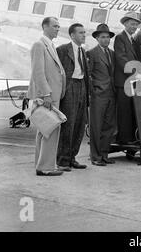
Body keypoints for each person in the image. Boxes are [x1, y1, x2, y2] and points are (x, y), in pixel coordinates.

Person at [27, 17, 66, 176]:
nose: (58, 29)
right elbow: (38, 72)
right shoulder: (39, 45)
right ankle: (46, 167)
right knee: (51, 130)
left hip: (52, 94)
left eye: (58, 26)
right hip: (48, 95)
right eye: (55, 26)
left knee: (45, 129)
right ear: (45, 27)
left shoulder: (50, 45)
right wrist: (46, 94)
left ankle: (43, 164)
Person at [56, 23, 89, 171]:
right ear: (72, 35)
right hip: (69, 87)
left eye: (84, 32)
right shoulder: (62, 50)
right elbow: (56, 71)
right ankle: (63, 160)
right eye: (81, 33)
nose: (84, 35)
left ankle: (72, 158)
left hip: (81, 86)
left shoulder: (83, 51)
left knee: (79, 124)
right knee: (68, 124)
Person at [87, 24, 117, 166]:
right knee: (96, 126)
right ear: (97, 38)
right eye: (103, 37)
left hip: (111, 94)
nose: (106, 40)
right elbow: (88, 75)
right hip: (99, 95)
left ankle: (104, 155)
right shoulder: (92, 53)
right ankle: (95, 157)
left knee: (108, 126)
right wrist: (94, 92)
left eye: (108, 37)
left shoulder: (112, 53)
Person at [114, 11, 141, 145]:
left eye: (136, 25)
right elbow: (121, 59)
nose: (134, 27)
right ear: (125, 24)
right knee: (124, 112)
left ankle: (130, 139)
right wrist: (134, 73)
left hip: (131, 82)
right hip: (123, 82)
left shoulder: (132, 39)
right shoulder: (120, 38)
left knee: (131, 111)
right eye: (132, 24)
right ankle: (124, 139)